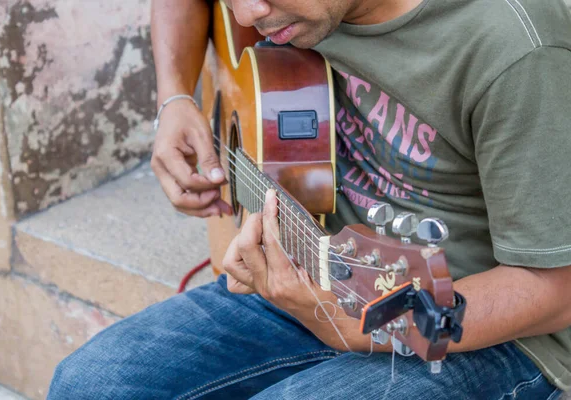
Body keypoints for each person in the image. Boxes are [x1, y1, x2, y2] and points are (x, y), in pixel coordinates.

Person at [47, 0, 571, 398]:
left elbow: (557, 291)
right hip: (318, 268)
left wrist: (364, 324)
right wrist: (175, 99)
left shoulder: (517, 52)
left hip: (486, 326)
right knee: (88, 384)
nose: (249, 13)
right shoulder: (293, 9)